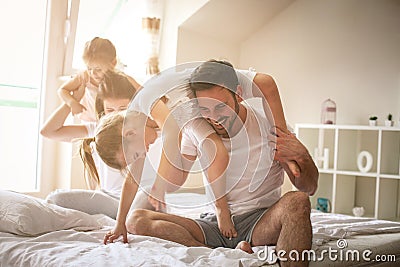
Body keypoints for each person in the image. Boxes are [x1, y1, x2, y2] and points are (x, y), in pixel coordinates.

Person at [123, 61, 319, 267]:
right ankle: (219, 253)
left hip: (259, 222)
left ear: (239, 94)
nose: (214, 118)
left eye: (221, 107)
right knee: (136, 219)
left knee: (298, 200)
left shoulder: (270, 127)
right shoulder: (196, 129)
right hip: (213, 224)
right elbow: (177, 180)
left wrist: (303, 156)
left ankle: (233, 250)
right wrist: (157, 180)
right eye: (205, 109)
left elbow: (309, 188)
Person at [41, 71, 150, 218]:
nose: (116, 115)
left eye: (123, 109)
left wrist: (134, 84)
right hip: (110, 199)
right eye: (110, 110)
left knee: (145, 197)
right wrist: (73, 101)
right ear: (102, 110)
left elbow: (159, 105)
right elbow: (48, 131)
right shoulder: (98, 129)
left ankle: (130, 216)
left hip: (138, 200)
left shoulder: (148, 130)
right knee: (55, 197)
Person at [58, 37, 140, 122]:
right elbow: (62, 90)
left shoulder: (120, 78)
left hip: (110, 120)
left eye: (98, 69)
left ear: (113, 63)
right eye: (89, 68)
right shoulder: (84, 77)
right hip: (89, 120)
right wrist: (72, 103)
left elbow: (142, 91)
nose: (92, 73)